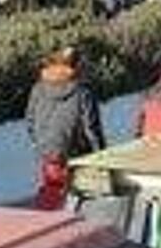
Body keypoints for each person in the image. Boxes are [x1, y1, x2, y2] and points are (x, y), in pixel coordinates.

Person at [25, 45, 105, 210]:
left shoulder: (38, 88)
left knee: (52, 189)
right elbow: (91, 128)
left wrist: (41, 142)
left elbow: (30, 121)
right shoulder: (82, 92)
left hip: (47, 150)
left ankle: (45, 221)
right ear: (76, 66)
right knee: (78, 195)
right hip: (74, 151)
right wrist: (101, 155)